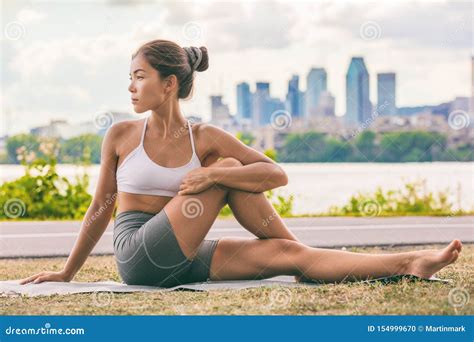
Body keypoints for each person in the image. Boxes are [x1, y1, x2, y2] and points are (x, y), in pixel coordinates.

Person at [20, 39, 462, 287]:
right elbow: (101, 207)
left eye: (140, 77)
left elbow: (276, 174)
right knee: (230, 166)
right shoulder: (121, 135)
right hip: (139, 255)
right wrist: (67, 272)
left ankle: (407, 262)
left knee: (283, 250)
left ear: (169, 83)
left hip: (185, 258)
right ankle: (308, 259)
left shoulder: (205, 138)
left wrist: (215, 172)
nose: (131, 87)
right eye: (130, 77)